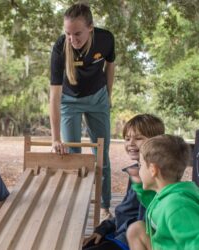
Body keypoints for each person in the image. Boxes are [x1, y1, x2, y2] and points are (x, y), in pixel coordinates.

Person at [49, 2, 115, 218]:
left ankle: (105, 206)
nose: (72, 39)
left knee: (101, 155)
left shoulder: (105, 39)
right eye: (68, 34)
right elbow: (55, 96)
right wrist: (55, 138)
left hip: (98, 98)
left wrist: (109, 95)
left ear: (91, 29)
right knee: (72, 155)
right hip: (70, 101)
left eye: (77, 34)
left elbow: (110, 65)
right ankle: (75, 205)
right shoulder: (60, 48)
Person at [83, 114, 164, 250]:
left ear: (156, 142)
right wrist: (104, 228)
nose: (131, 143)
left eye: (138, 138)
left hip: (130, 241)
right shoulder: (136, 170)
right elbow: (127, 211)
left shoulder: (154, 177)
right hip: (119, 233)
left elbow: (145, 223)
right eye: (127, 139)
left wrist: (115, 238)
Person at [126, 135, 199, 250]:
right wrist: (140, 187)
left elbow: (195, 240)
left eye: (141, 165)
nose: (139, 170)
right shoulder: (166, 195)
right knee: (136, 229)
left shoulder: (178, 205)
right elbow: (156, 203)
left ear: (153, 170)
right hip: (165, 245)